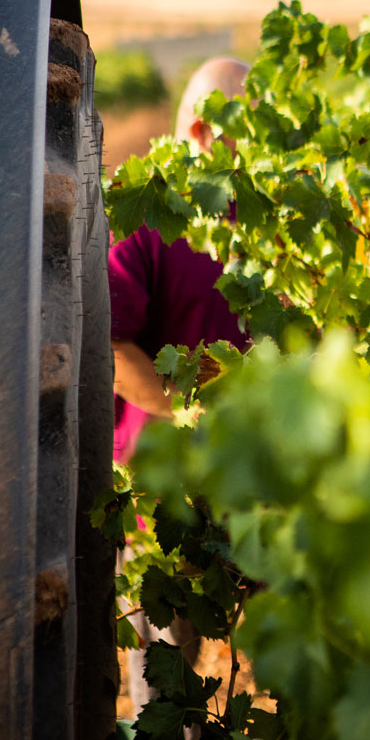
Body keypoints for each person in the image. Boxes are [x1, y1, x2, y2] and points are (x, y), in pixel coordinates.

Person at [108, 56, 252, 463]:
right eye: (251, 131)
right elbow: (108, 343)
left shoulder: (267, 217)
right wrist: (189, 412)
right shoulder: (143, 219)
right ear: (203, 131)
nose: (264, 149)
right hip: (166, 492)